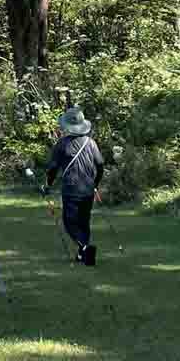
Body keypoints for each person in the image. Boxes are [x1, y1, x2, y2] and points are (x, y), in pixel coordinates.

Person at [44, 106, 107, 266]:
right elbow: (100, 165)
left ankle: (85, 248)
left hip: (71, 189)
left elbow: (52, 169)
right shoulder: (91, 142)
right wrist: (96, 184)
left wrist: (48, 185)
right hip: (88, 189)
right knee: (84, 221)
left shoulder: (62, 144)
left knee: (70, 222)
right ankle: (83, 255)